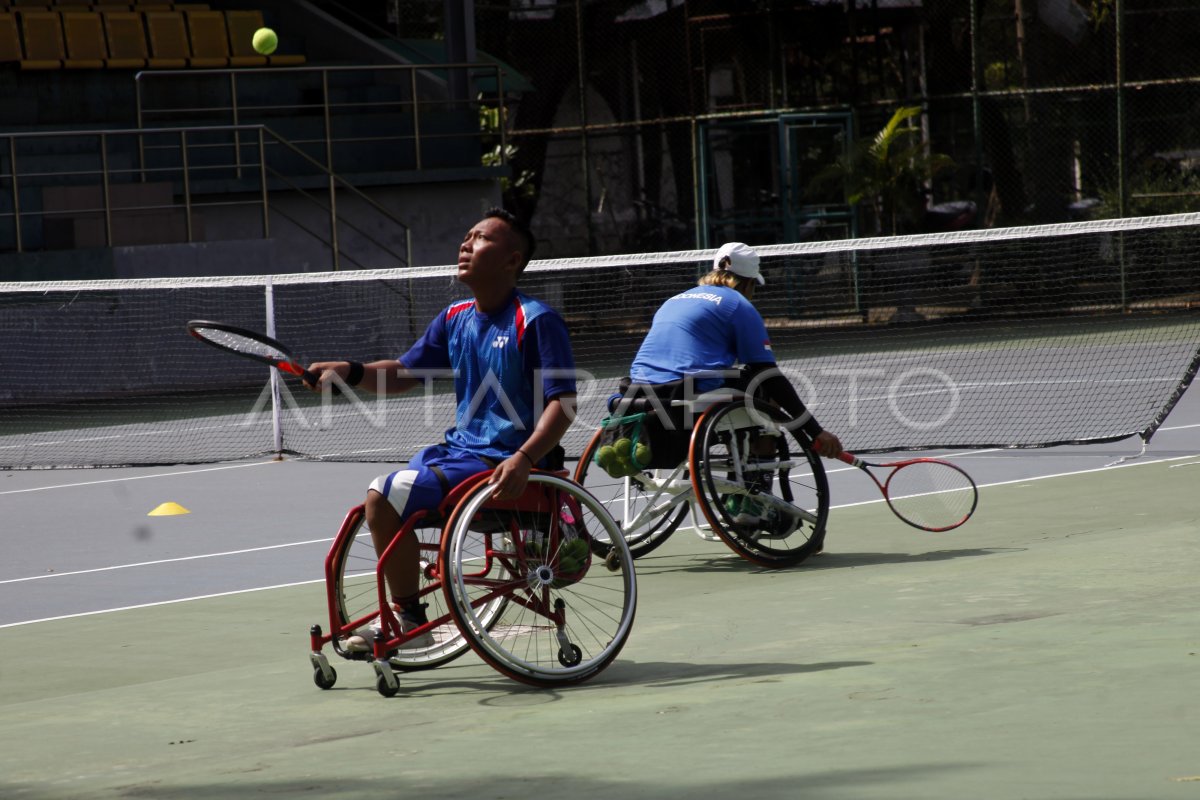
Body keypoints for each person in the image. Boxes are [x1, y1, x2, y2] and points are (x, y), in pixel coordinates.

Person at [306, 208, 577, 651]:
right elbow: (403, 372)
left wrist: (524, 459)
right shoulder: (455, 318)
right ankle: (407, 614)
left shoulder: (537, 320)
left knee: (383, 495)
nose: (466, 244)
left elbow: (563, 405)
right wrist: (349, 371)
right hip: (458, 454)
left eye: (481, 238)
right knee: (387, 502)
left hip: (504, 462)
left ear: (511, 260)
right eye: (466, 235)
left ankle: (409, 622)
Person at [621, 241, 843, 527]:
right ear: (749, 282)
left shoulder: (675, 299)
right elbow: (768, 375)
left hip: (641, 394)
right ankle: (753, 497)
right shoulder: (739, 305)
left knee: (739, 386)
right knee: (764, 394)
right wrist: (815, 431)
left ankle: (739, 474)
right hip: (689, 397)